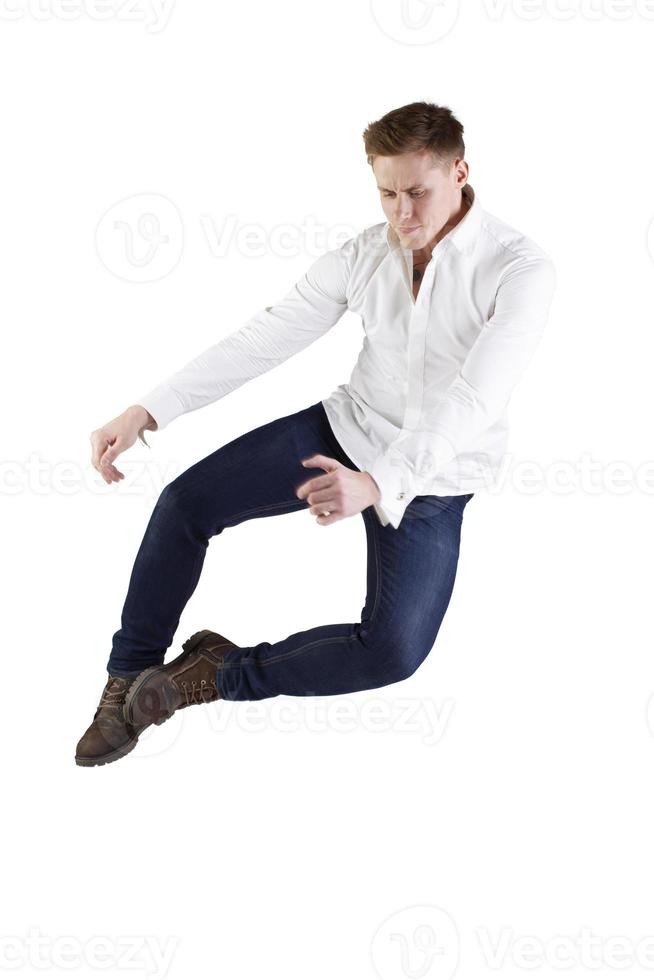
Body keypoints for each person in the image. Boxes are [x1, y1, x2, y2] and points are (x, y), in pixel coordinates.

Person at [75, 100, 556, 767]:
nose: (401, 214)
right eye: (386, 194)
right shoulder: (364, 253)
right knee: (185, 504)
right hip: (345, 431)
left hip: (435, 481)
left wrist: (380, 483)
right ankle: (128, 677)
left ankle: (213, 674)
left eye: (417, 192)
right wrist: (150, 409)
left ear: (460, 171)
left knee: (393, 653)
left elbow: (475, 398)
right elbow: (267, 336)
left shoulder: (520, 268)